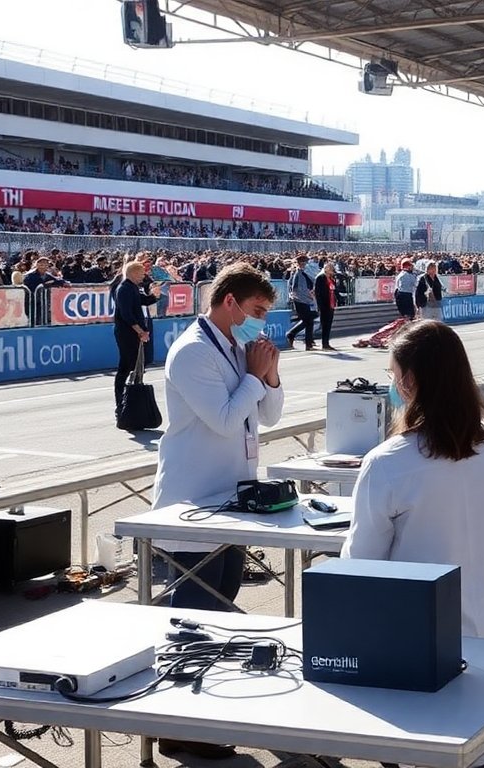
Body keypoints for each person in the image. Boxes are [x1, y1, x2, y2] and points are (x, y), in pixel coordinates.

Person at [342, 320, 484, 768]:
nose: (392, 385)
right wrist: (477, 574)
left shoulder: (387, 463)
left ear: (409, 381)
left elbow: (361, 568)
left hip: (412, 648)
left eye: (393, 375)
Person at [150, 263, 282, 760]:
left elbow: (267, 414)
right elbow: (227, 421)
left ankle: (200, 716)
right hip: (191, 504)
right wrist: (254, 375)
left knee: (222, 602)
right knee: (193, 615)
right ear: (229, 302)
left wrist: (269, 375)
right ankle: (179, 723)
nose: (261, 324)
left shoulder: (235, 346)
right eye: (256, 312)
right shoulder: (192, 352)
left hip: (230, 498)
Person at [112, 260, 158, 421]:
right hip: (127, 333)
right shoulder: (124, 289)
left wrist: (155, 295)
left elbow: (143, 301)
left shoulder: (132, 288)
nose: (143, 276)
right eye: (141, 274)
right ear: (132, 273)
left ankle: (130, 400)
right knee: (126, 367)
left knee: (137, 366)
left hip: (134, 332)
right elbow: (126, 314)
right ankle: (121, 403)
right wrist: (140, 331)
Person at [285, 254, 317, 350]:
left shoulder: (304, 273)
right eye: (304, 262)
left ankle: (293, 335)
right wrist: (309, 294)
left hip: (306, 300)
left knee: (308, 321)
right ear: (301, 263)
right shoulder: (297, 273)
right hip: (300, 300)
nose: (306, 264)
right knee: (308, 321)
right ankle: (307, 343)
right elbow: (296, 288)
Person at [315, 258, 339, 351]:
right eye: (330, 269)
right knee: (324, 324)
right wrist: (320, 305)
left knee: (328, 325)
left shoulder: (332, 279)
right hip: (324, 305)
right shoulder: (321, 278)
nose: (332, 270)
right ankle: (324, 344)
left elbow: (334, 290)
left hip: (331, 304)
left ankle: (327, 343)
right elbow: (318, 293)